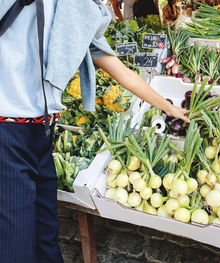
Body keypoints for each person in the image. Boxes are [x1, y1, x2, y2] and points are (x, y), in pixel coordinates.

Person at [0, 1, 188, 262]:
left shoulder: (75, 10)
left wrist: (165, 105)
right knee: (16, 243)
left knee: (46, 233)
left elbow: (112, 63)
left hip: (42, 132)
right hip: (7, 131)